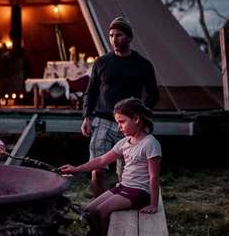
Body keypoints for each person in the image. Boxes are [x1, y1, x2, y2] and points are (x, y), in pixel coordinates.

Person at [60, 98, 162, 236]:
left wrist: (153, 204)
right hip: (124, 187)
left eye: (122, 122)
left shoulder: (150, 143)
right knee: (89, 211)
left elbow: (154, 176)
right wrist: (76, 169)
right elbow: (102, 160)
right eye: (117, 122)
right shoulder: (125, 142)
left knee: (102, 211)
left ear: (136, 119)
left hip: (139, 193)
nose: (119, 127)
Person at [81, 16, 159, 196]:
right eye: (111, 35)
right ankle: (97, 208)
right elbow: (90, 92)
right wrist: (86, 117)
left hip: (128, 124)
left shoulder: (142, 64)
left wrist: (139, 116)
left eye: (119, 35)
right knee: (98, 168)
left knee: (125, 173)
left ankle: (122, 207)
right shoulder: (102, 62)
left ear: (129, 37)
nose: (114, 39)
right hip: (102, 120)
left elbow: (153, 94)